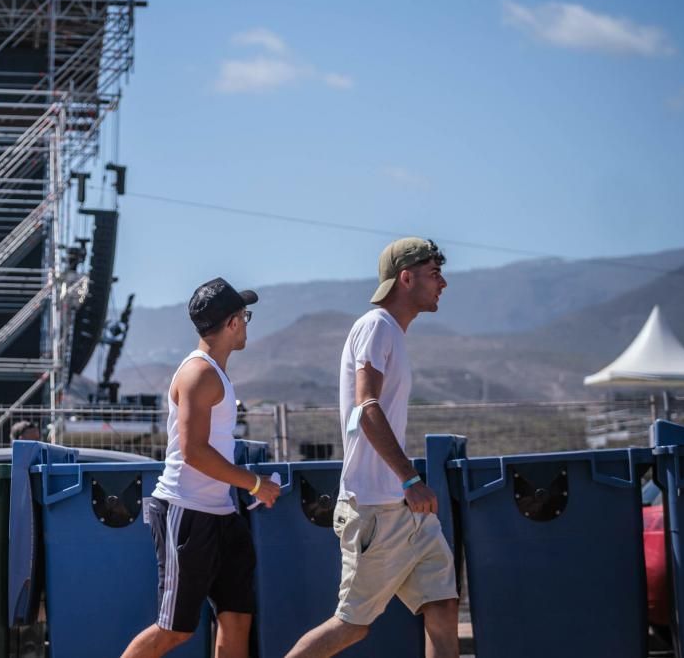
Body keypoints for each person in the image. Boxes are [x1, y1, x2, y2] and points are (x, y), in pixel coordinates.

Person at [286, 238, 458, 658]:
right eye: (434, 274)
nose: (444, 283)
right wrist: (411, 478)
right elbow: (366, 409)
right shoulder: (376, 326)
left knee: (442, 605)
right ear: (406, 277)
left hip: (405, 510)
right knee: (351, 626)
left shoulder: (393, 333)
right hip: (376, 509)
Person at [121, 277, 280, 658]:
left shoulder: (214, 373)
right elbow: (194, 452)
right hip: (186, 512)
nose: (246, 323)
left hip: (220, 515)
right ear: (232, 324)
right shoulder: (199, 373)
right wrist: (255, 484)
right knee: (174, 629)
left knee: (237, 618)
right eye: (245, 316)